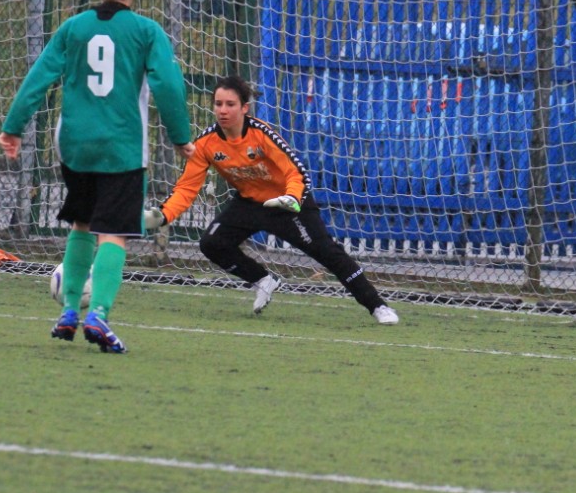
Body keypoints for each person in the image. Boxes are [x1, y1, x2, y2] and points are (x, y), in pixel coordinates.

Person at [0, 0, 195, 354]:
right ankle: (99, 314)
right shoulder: (146, 31)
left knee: (82, 224)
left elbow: (39, 77)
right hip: (121, 147)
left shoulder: (73, 28)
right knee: (114, 233)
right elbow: (169, 85)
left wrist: (13, 127)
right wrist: (180, 137)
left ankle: (69, 310)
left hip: (76, 144)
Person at [144, 75, 399, 325]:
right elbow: (186, 188)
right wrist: (164, 215)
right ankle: (263, 280)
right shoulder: (206, 143)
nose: (223, 110)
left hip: (287, 203)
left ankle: (377, 305)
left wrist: (291, 198)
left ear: (244, 108)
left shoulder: (261, 134)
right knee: (212, 243)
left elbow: (296, 172)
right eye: (218, 104)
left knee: (327, 253)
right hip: (249, 203)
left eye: (230, 104)